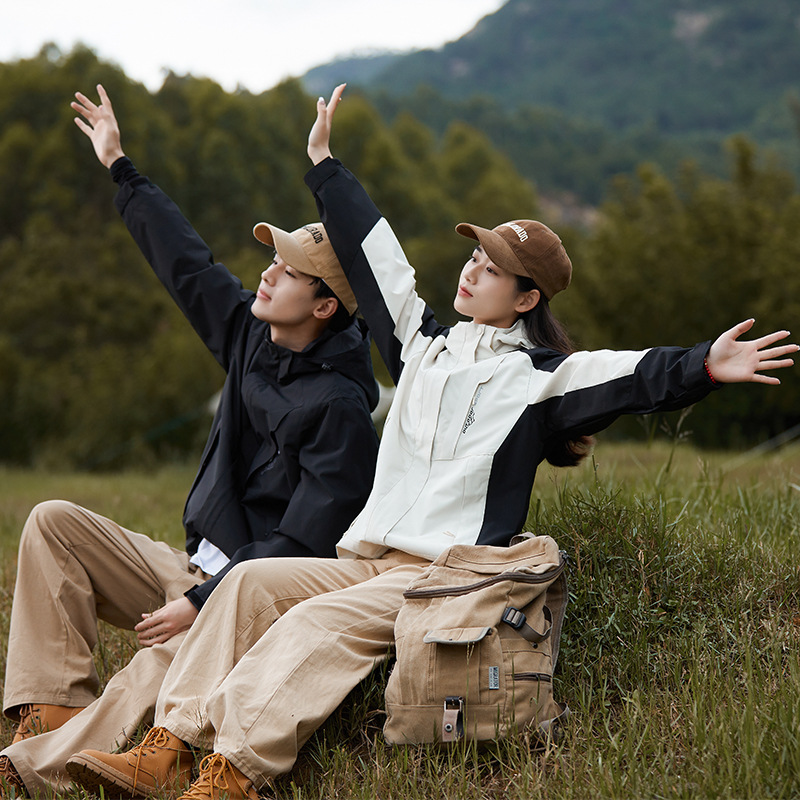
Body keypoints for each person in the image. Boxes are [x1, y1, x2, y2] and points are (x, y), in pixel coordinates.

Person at [63, 85, 798, 800]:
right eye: (473, 258)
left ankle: (234, 776)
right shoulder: (422, 346)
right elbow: (379, 260)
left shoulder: (542, 382)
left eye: (492, 269)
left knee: (314, 624)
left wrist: (705, 364)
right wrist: (326, 168)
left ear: (527, 298)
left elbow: (637, 375)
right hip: (361, 558)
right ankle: (169, 747)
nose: (472, 270)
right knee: (248, 583)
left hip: (434, 577)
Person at [0, 85, 380, 797]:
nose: (268, 271)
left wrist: (203, 603)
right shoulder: (250, 334)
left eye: (290, 270)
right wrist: (121, 166)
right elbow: (184, 261)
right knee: (53, 523)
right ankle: (49, 708)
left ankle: (34, 771)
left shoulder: (342, 414)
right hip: (186, 566)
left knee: (154, 665)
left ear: (325, 307)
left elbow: (301, 548)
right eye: (274, 259)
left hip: (242, 596)